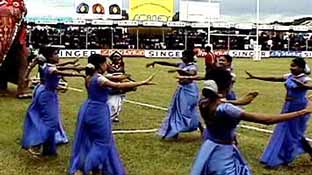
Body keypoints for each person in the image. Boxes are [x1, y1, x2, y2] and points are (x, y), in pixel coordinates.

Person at [191, 69, 312, 175]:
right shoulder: (226, 109)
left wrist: (240, 101)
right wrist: (303, 112)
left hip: (209, 146)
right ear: (226, 86)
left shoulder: (204, 102)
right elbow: (267, 120)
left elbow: (220, 101)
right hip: (223, 152)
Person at [69, 54, 154, 175]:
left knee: (92, 140)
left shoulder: (89, 77)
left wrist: (125, 76)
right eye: (105, 63)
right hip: (98, 112)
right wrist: (141, 83)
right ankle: (84, 168)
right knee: (103, 142)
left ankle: (95, 170)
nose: (107, 65)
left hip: (88, 108)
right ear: (100, 65)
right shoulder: (100, 79)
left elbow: (115, 78)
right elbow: (117, 85)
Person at [246, 57, 312, 167]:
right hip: (287, 106)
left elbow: (310, 86)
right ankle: (278, 157)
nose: (291, 68)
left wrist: (304, 86)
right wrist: (255, 77)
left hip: (299, 107)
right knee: (284, 131)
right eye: (291, 65)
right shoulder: (289, 76)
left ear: (301, 68)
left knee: (294, 133)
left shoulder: (305, 79)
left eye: (294, 66)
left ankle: (285, 157)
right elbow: (274, 78)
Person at [21, 45, 85, 157]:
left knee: (51, 122)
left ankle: (47, 150)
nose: (57, 55)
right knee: (51, 123)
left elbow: (61, 68)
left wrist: (73, 66)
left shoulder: (49, 65)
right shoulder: (50, 68)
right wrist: (78, 74)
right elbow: (62, 72)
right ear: (49, 57)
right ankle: (36, 144)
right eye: (55, 53)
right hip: (47, 95)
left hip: (49, 93)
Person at [146, 50, 202, 139]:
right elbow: (167, 63)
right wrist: (155, 62)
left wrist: (179, 70)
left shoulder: (193, 66)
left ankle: (200, 128)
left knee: (187, 110)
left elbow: (191, 74)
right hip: (181, 89)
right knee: (176, 110)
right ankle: (175, 131)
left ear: (189, 57)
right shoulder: (181, 64)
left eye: (184, 56)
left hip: (190, 90)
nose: (182, 58)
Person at [106, 51, 135, 123]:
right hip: (112, 83)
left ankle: (115, 116)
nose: (117, 58)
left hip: (120, 83)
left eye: (118, 57)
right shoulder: (108, 66)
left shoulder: (122, 65)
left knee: (119, 101)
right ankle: (110, 115)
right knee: (112, 101)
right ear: (112, 58)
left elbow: (123, 74)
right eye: (115, 57)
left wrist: (132, 81)